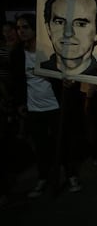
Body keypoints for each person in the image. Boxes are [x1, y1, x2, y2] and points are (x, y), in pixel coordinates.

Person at [11, 13, 83, 198]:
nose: (21, 32)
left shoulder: (50, 50)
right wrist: (19, 103)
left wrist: (67, 81)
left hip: (55, 105)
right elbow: (17, 81)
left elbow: (67, 72)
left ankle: (71, 175)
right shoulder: (18, 53)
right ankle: (43, 178)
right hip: (34, 108)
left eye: (25, 27)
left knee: (63, 142)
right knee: (41, 146)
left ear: (35, 29)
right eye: (19, 28)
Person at [40, 0, 97, 76]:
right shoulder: (40, 72)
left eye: (80, 24)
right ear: (48, 28)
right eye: (60, 22)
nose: (68, 32)